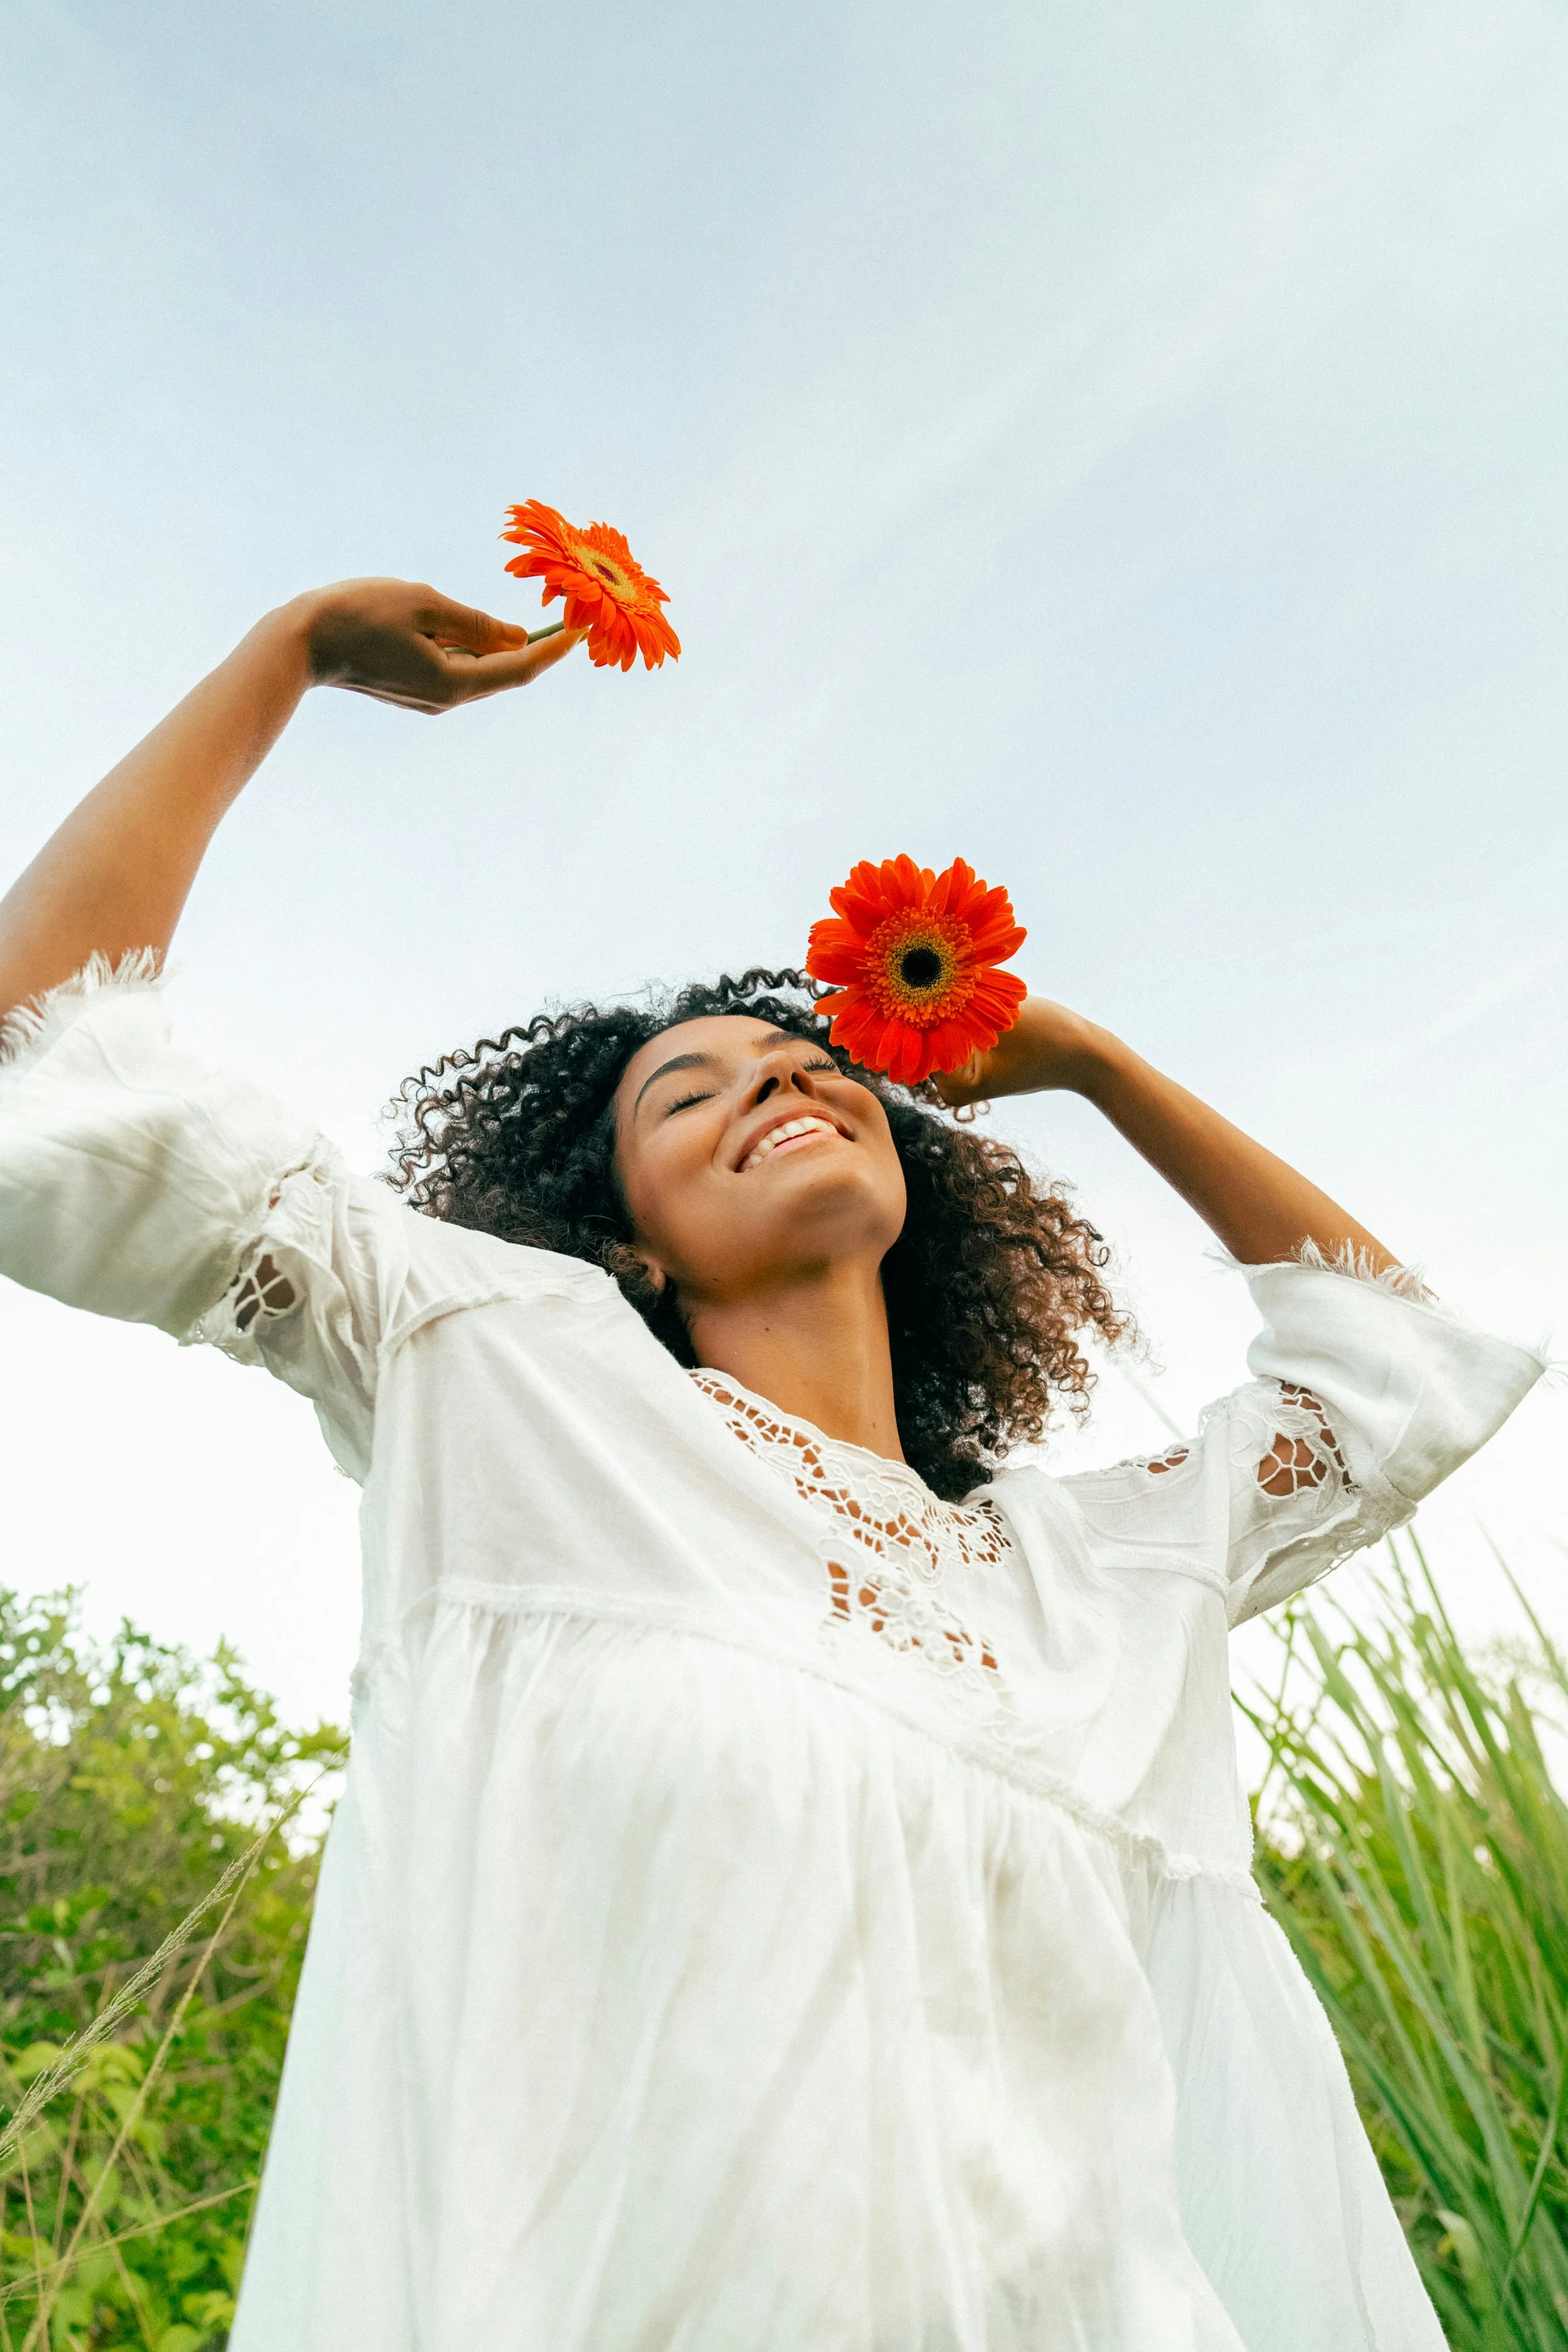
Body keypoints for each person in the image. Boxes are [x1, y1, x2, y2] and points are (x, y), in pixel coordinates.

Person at [0, 577, 1542, 2352]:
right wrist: (289, 656)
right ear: (629, 1240)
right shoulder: (507, 1368)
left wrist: (1100, 1068)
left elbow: (1397, 1378)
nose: (775, 1087)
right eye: (689, 1093)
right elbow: (42, 1050)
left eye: (807, 1064)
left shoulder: (1086, 1579)